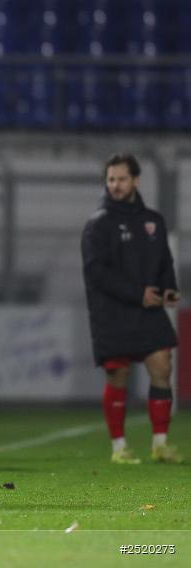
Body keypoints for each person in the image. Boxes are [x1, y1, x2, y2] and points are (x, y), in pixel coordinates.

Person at [81, 153, 182, 464]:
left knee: (163, 365)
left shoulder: (153, 221)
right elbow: (96, 273)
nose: (115, 185)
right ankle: (119, 447)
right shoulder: (98, 225)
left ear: (136, 180)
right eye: (111, 179)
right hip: (112, 314)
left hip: (148, 310)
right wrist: (138, 294)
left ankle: (160, 444)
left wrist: (169, 290)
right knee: (118, 377)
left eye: (121, 179)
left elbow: (165, 262)